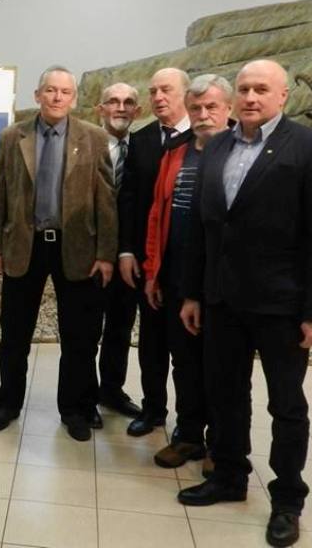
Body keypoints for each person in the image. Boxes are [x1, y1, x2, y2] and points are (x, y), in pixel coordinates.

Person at [177, 60, 312, 548]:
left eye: (262, 89)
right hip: (223, 301)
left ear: (283, 96)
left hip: (282, 306)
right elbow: (206, 230)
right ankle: (229, 475)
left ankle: (288, 499)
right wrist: (193, 293)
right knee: (225, 395)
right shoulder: (218, 146)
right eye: (245, 88)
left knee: (286, 405)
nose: (251, 97)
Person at [0, 67, 116, 442]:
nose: (57, 97)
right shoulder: (13, 137)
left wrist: (106, 253)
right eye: (51, 90)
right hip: (24, 246)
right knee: (14, 335)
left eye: (65, 92)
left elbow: (106, 201)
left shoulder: (94, 138)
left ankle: (73, 409)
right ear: (38, 94)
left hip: (77, 249)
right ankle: (8, 403)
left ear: (74, 98)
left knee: (78, 336)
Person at [141, 74, 231, 469]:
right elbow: (157, 213)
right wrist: (153, 271)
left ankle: (222, 446)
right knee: (185, 361)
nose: (203, 114)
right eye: (196, 108)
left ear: (227, 109)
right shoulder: (175, 152)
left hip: (222, 282)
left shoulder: (240, 151)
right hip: (177, 276)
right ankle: (189, 436)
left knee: (222, 367)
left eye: (212, 107)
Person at [117, 67, 191, 437]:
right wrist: (126, 251)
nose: (158, 97)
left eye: (166, 90)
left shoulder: (207, 136)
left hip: (189, 264)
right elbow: (130, 200)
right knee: (151, 344)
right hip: (149, 262)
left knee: (188, 350)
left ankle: (190, 423)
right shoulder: (142, 140)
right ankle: (153, 410)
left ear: (186, 94)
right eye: (153, 91)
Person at [94, 82, 143, 418]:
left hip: (129, 256)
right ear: (101, 109)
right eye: (113, 101)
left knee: (120, 328)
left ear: (137, 111)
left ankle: (111, 391)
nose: (120, 108)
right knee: (85, 331)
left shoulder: (145, 148)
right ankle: (83, 397)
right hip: (89, 255)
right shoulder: (83, 145)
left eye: (128, 102)